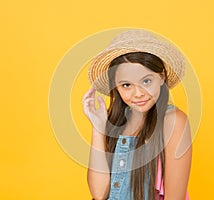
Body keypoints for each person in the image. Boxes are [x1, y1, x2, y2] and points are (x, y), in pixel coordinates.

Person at [82, 29, 192, 200]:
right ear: (116, 87)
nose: (138, 93)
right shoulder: (116, 123)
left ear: (161, 77)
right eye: (126, 85)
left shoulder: (173, 121)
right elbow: (98, 193)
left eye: (146, 81)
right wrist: (98, 129)